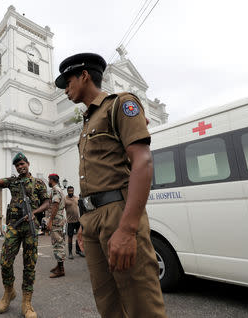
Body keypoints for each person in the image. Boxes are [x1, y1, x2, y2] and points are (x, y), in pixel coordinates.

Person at [55, 53, 166, 317]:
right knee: (107, 302)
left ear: (84, 76)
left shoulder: (121, 104)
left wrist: (127, 229)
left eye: (68, 81)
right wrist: (85, 222)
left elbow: (143, 161)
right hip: (92, 218)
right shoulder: (87, 120)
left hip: (118, 213)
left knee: (142, 303)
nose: (65, 89)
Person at [0, 152, 49, 318]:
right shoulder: (13, 181)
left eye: (23, 164)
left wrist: (34, 213)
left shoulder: (38, 183)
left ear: (28, 164)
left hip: (30, 226)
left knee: (29, 264)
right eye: (17, 165)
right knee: (5, 261)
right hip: (14, 226)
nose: (20, 166)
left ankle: (27, 302)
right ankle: (9, 292)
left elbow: (47, 202)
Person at [47, 173, 66, 278]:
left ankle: (61, 269)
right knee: (59, 242)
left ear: (51, 180)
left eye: (48, 179)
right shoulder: (59, 189)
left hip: (56, 220)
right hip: (59, 218)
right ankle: (59, 265)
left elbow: (55, 205)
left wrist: (50, 220)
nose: (48, 181)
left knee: (57, 243)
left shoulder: (55, 190)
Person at [64, 186, 84, 259]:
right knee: (70, 237)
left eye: (72, 191)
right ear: (67, 191)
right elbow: (61, 208)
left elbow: (81, 207)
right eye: (69, 191)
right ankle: (70, 253)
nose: (71, 192)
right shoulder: (65, 199)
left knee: (79, 236)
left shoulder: (76, 198)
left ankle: (78, 251)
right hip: (70, 221)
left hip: (78, 220)